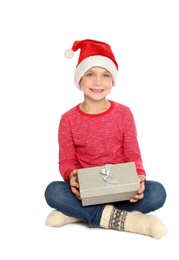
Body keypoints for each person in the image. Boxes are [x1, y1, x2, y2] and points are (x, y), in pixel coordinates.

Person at [44, 39, 168, 239]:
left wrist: (139, 176)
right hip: (86, 189)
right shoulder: (68, 119)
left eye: (105, 75)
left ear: (112, 81)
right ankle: (126, 220)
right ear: (79, 79)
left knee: (157, 192)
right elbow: (66, 160)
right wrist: (71, 176)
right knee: (53, 191)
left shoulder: (124, 114)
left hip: (121, 185)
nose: (98, 82)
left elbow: (132, 154)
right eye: (90, 74)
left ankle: (78, 215)